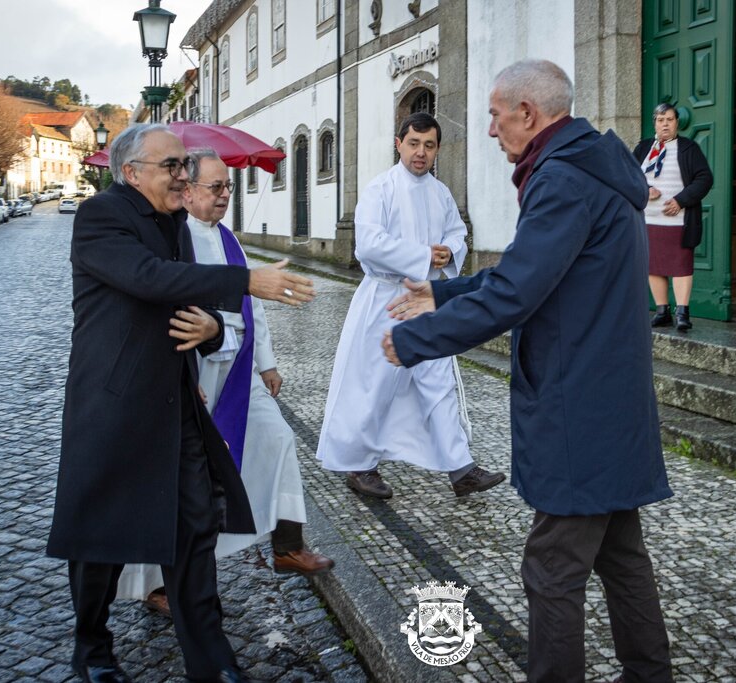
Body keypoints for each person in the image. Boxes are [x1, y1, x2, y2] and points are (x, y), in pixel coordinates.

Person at [383, 60, 674, 683]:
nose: (489, 130)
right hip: (609, 395)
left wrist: (417, 340)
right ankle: (650, 674)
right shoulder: (587, 169)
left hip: (580, 402)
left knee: (551, 568)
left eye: (494, 115)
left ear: (527, 113)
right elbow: (529, 270)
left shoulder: (563, 179)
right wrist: (447, 293)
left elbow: (517, 293)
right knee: (621, 554)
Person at [46, 123, 314, 683]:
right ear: (131, 172)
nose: (182, 176)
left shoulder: (175, 225)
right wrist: (245, 282)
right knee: (102, 539)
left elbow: (185, 301)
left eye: (183, 166)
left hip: (176, 401)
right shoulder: (102, 218)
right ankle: (92, 649)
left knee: (193, 529)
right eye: (171, 166)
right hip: (114, 403)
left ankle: (212, 664)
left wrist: (213, 330)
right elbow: (149, 279)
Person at [117, 149, 333, 614]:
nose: (224, 196)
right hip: (192, 371)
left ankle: (287, 544)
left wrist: (268, 362)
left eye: (228, 188)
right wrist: (184, 370)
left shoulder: (230, 240)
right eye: (215, 188)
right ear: (188, 191)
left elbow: (252, 303)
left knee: (277, 440)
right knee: (177, 478)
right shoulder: (173, 241)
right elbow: (163, 305)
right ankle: (158, 584)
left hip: (237, 368)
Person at [316, 112, 505, 499]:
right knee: (375, 385)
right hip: (385, 300)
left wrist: (448, 251)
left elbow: (457, 234)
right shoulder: (380, 189)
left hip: (426, 301)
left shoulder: (441, 192)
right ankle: (360, 464)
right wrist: (422, 254)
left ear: (437, 150)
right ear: (399, 143)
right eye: (414, 143)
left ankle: (461, 467)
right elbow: (367, 244)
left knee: (439, 382)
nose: (421, 153)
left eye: (430, 145)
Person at [632, 103, 713, 332]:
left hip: (679, 220)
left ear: (677, 122)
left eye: (669, 119)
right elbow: (628, 174)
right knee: (654, 265)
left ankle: (682, 312)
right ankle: (662, 310)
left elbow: (704, 178)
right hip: (648, 219)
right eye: (660, 120)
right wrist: (645, 188)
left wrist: (680, 200)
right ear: (654, 123)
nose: (665, 124)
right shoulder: (644, 148)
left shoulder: (689, 148)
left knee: (680, 265)